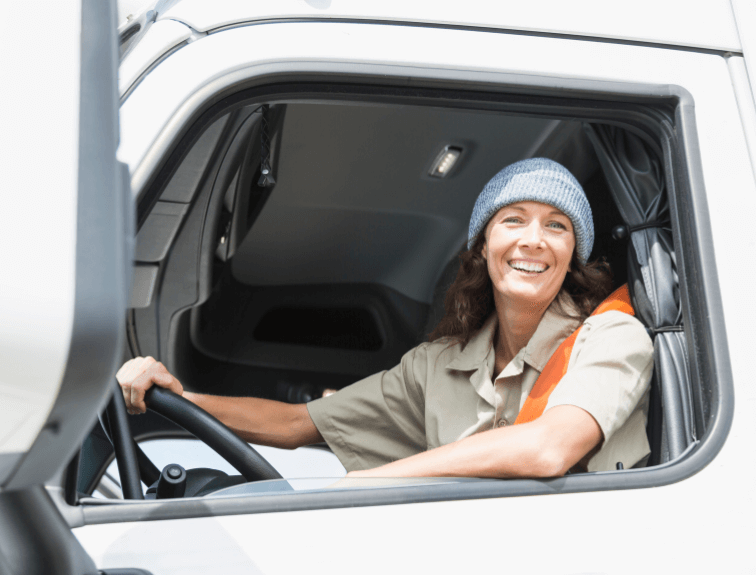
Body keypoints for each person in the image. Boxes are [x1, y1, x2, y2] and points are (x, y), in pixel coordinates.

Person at [117, 158, 653, 478]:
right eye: (514, 220)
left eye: (557, 226)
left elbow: (548, 447)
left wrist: (377, 483)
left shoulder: (610, 337)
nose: (533, 239)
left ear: (573, 253)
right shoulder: (436, 364)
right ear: (484, 245)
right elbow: (298, 423)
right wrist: (179, 398)